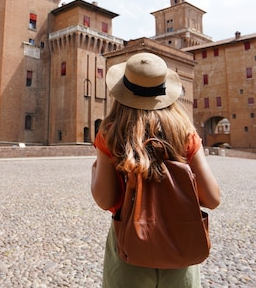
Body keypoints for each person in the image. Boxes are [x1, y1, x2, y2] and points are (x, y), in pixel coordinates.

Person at [91, 52, 221, 288]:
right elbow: (212, 199)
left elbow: (104, 199)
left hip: (129, 254)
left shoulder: (110, 134)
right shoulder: (186, 134)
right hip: (181, 251)